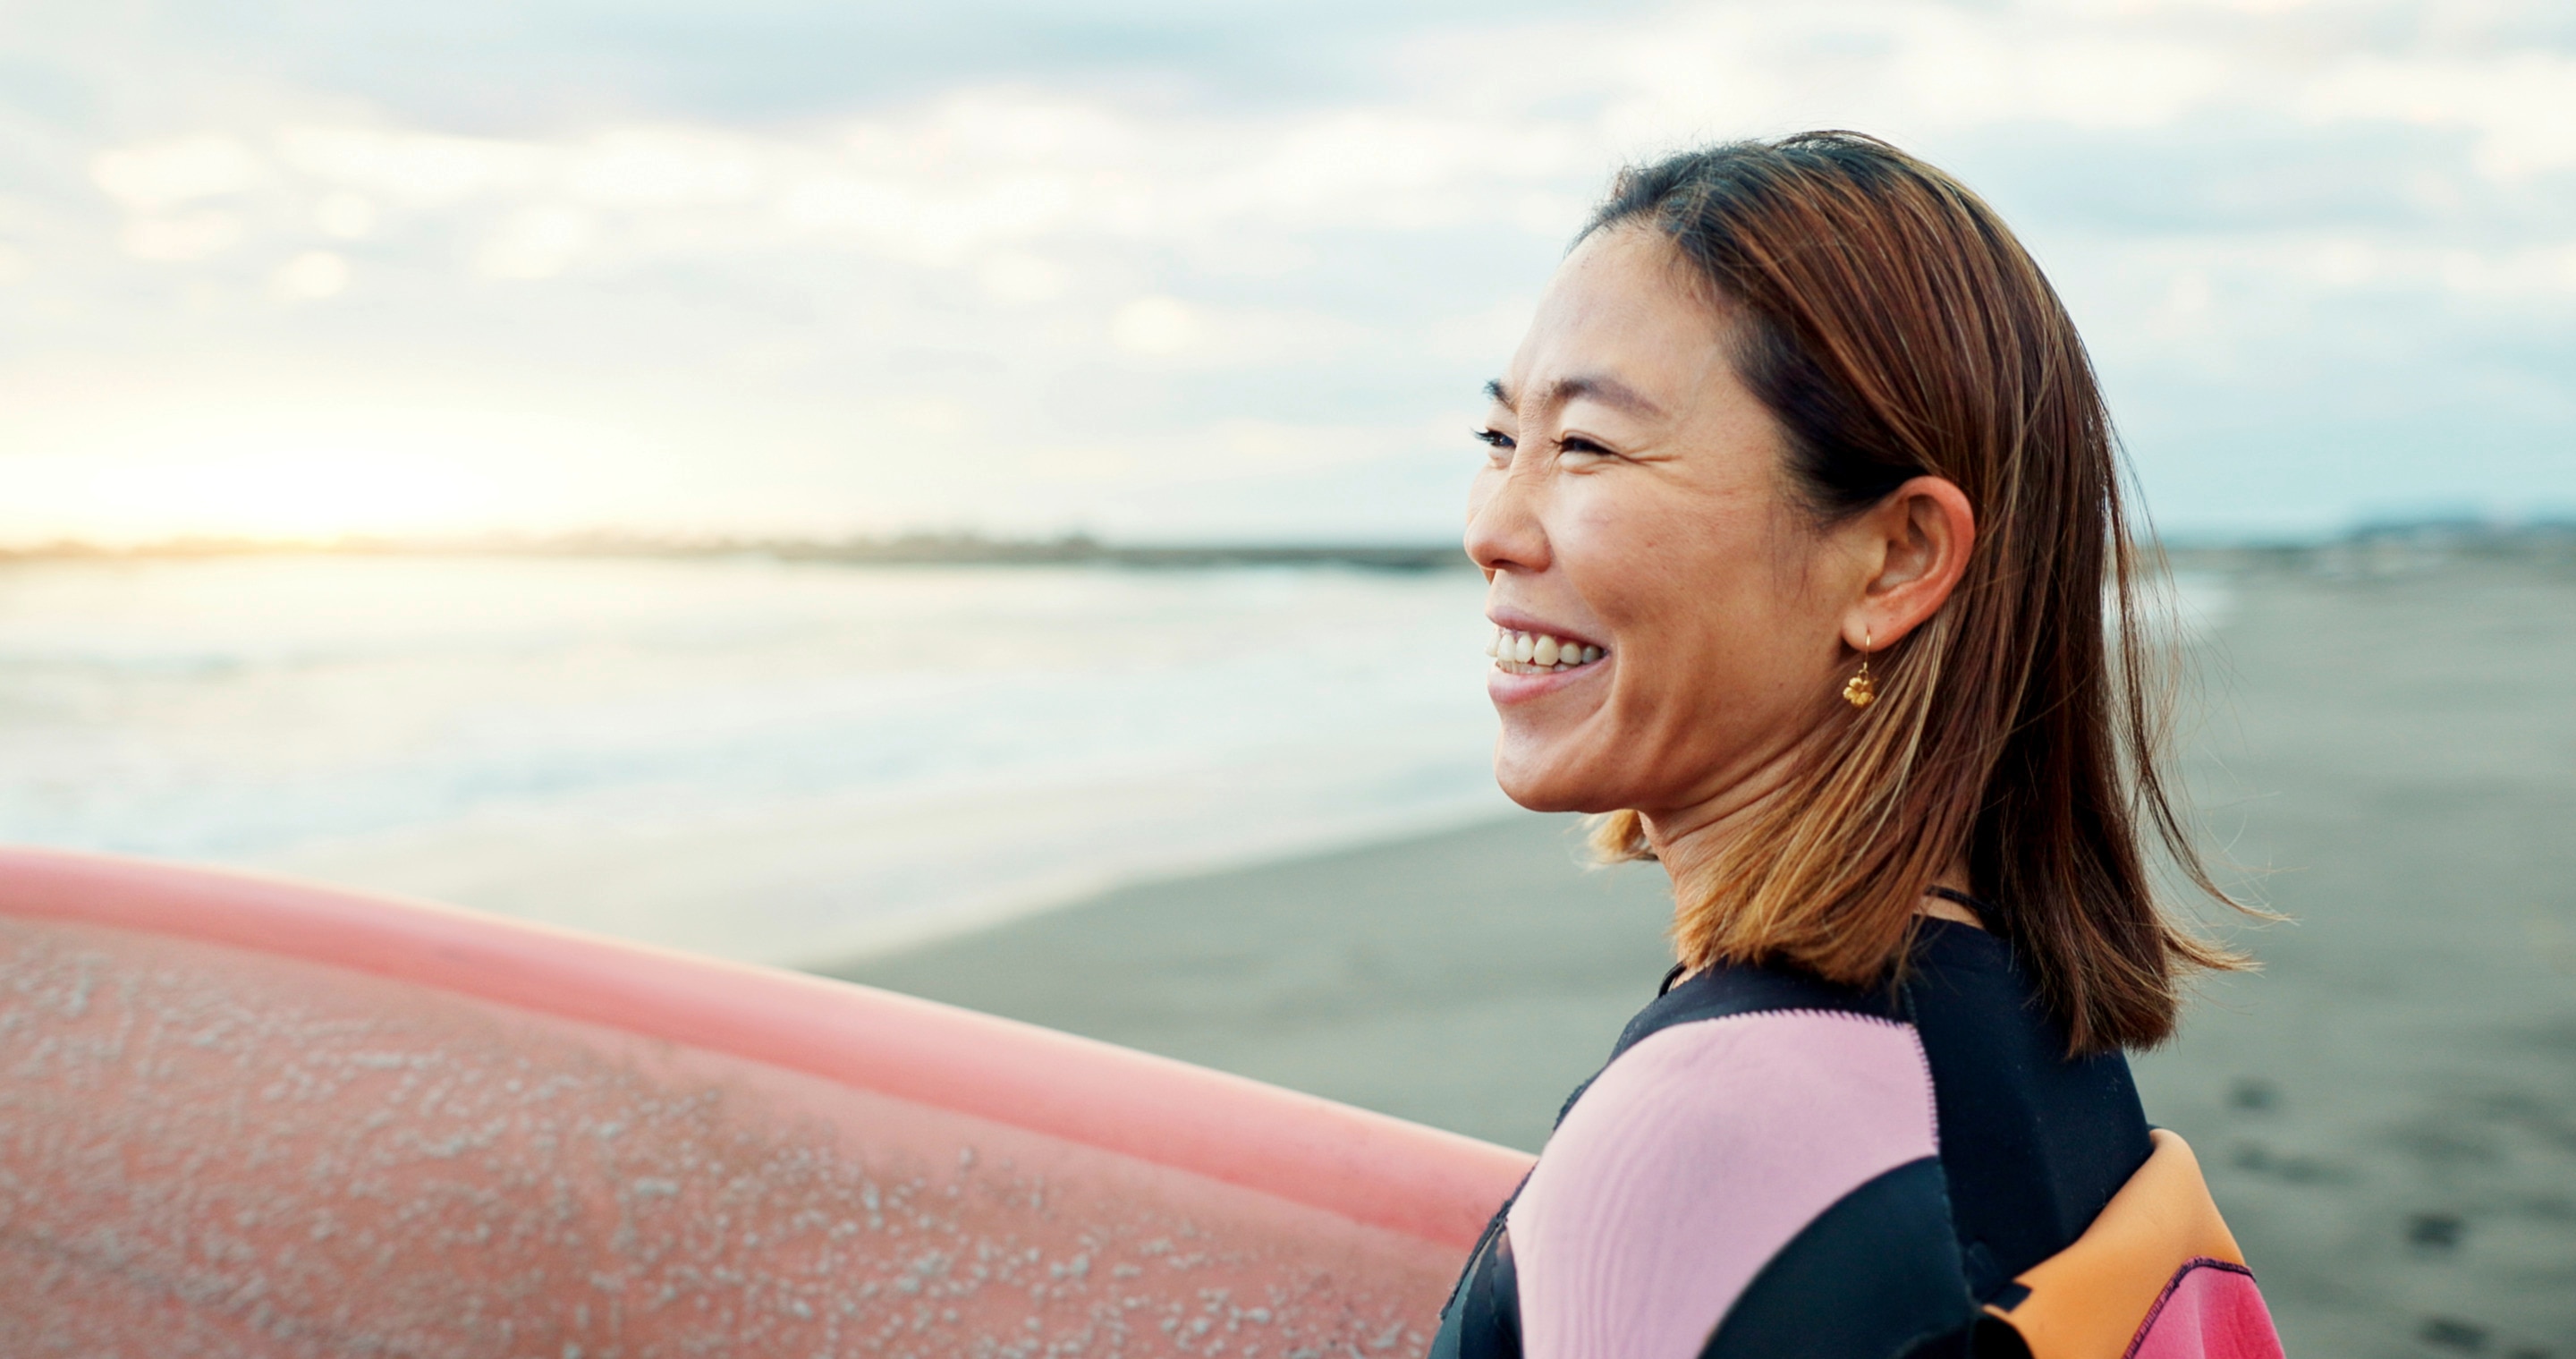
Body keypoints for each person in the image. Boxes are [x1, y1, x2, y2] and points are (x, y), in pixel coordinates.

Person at [1433, 132, 2285, 1359]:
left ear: (1895, 560)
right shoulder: (2034, 1047)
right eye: (1500, 441)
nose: (1494, 528)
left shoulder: (1713, 1138)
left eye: (1586, 447)